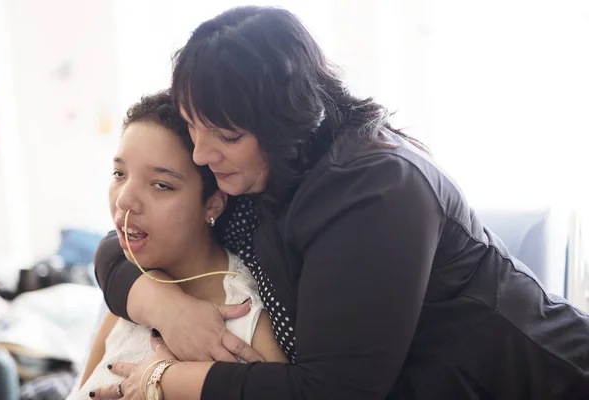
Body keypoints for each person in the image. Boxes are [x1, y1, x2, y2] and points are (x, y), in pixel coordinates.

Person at [92, 6, 589, 399]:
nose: (202, 153)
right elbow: (120, 244)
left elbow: (333, 391)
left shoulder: (376, 190)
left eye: (225, 134)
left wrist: (163, 379)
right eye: (194, 125)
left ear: (284, 120)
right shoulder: (256, 177)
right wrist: (166, 306)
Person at [67, 92, 286, 400]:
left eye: (160, 185)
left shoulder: (250, 319)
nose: (124, 200)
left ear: (213, 204)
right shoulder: (133, 291)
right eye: (119, 174)